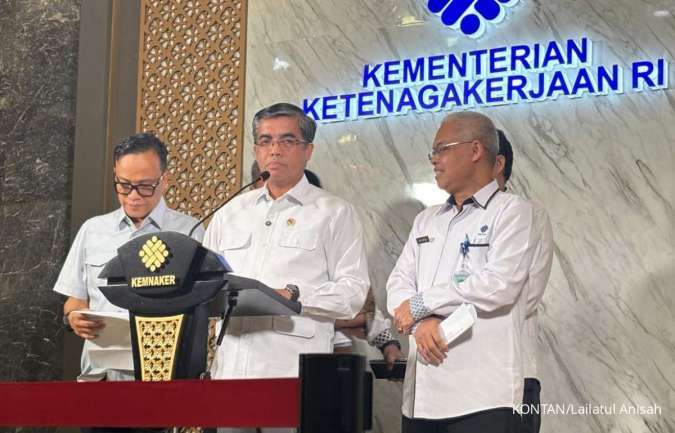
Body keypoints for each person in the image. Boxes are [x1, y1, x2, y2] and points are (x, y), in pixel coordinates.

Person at [203, 103, 370, 432]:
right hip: (231, 372)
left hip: (293, 375)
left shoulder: (335, 213)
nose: (275, 150)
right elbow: (207, 285)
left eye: (287, 140)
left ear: (308, 150)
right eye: (265, 141)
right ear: (256, 150)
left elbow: (353, 294)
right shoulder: (229, 213)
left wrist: (294, 296)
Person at [387, 112, 538, 432]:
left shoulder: (513, 211)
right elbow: (398, 283)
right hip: (421, 399)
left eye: (442, 149)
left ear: (475, 150)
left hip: (483, 397)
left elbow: (499, 284)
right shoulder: (426, 220)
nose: (434, 159)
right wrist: (422, 322)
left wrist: (423, 304)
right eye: (433, 152)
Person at [53, 133, 204, 430]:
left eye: (145, 186)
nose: (133, 195)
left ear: (164, 180)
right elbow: (74, 300)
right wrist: (74, 317)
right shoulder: (93, 230)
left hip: (162, 382)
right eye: (124, 185)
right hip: (100, 378)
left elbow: (201, 309)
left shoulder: (189, 231)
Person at [494, 130, 553, 433]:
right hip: (454, 376)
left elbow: (526, 295)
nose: (438, 161)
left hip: (513, 369)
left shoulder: (530, 214)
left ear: (497, 163)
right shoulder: (438, 219)